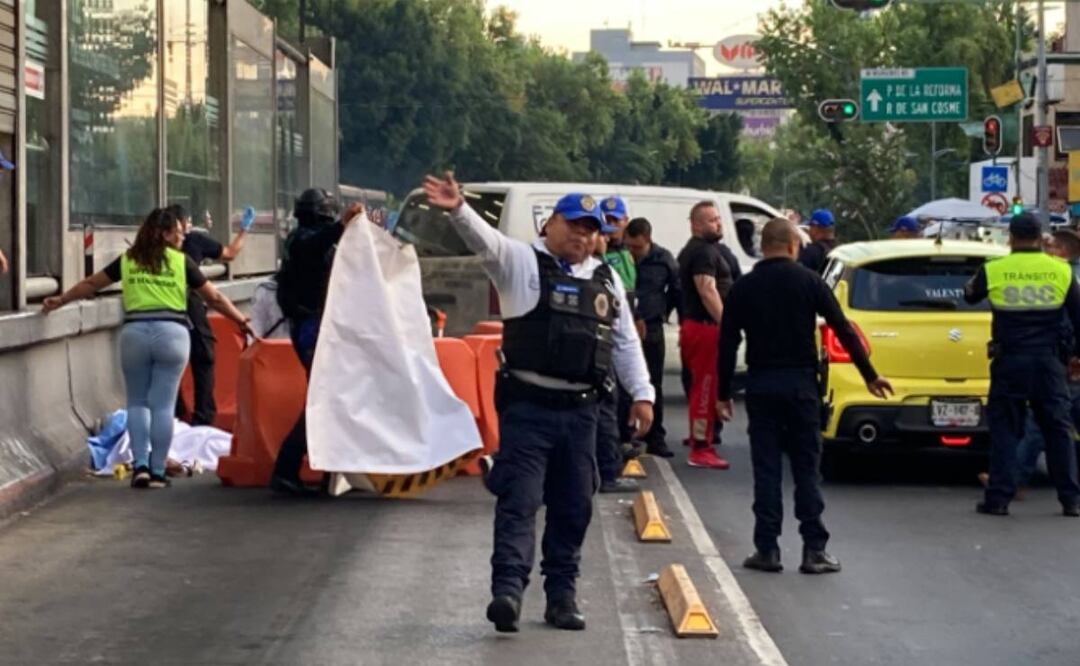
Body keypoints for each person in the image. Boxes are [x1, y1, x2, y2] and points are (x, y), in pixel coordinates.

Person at [422, 173, 654, 634]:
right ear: (550, 224)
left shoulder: (606, 279)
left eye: (590, 229)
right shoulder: (520, 263)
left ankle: (561, 597)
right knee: (520, 501)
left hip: (582, 414)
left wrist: (643, 394)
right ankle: (507, 591)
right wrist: (457, 210)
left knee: (573, 508)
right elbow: (485, 242)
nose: (581, 235)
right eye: (573, 225)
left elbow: (625, 343)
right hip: (529, 410)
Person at [717, 218, 893, 574]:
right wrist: (870, 376)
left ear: (763, 247)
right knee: (806, 468)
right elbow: (842, 329)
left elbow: (728, 342)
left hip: (762, 384)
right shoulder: (810, 281)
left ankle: (767, 549)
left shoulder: (744, 287)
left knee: (766, 470)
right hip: (801, 386)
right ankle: (814, 549)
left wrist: (722, 393)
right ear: (793, 246)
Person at [42, 208, 252, 489]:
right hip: (173, 334)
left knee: (137, 402)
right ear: (165, 234)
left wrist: (61, 299)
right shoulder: (181, 262)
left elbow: (92, 283)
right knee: (163, 406)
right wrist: (240, 320)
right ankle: (157, 470)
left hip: (135, 334)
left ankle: (139, 466)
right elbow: (213, 297)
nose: (181, 236)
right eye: (177, 231)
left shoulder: (130, 259)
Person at [964, 213, 1080, 517]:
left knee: (1005, 429)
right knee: (1058, 429)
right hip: (1048, 362)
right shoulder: (1061, 270)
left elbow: (970, 295)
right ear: (1040, 237)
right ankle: (1071, 500)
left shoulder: (994, 269)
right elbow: (1078, 316)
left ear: (1011, 238)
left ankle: (998, 499)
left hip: (1010, 361)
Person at [269, 188, 364, 496]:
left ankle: (332, 470)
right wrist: (341, 226)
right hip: (311, 326)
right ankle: (287, 466)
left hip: (318, 325)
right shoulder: (302, 240)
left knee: (331, 397)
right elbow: (314, 247)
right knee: (325, 398)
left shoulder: (315, 240)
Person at [169, 204, 252, 426]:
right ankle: (203, 416)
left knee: (168, 364)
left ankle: (173, 415)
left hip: (159, 310)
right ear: (183, 224)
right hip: (190, 306)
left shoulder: (148, 251)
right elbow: (230, 254)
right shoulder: (194, 242)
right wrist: (244, 230)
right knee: (203, 358)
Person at [677, 201, 734, 469]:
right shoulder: (702, 253)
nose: (718, 224)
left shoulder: (702, 250)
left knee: (704, 385)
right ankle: (701, 448)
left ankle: (700, 437)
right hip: (704, 327)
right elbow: (707, 290)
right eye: (711, 220)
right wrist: (726, 324)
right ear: (696, 224)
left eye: (718, 219)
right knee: (705, 387)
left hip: (698, 326)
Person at [594, 196, 640, 493]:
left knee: (613, 406)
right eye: (605, 223)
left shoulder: (624, 253)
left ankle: (609, 462)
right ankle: (607, 471)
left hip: (621, 334)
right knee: (605, 408)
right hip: (599, 345)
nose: (610, 230)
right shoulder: (594, 265)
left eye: (615, 221)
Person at [624, 217, 681, 458]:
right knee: (626, 384)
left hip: (652, 327)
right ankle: (626, 435)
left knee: (654, 383)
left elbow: (677, 290)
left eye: (637, 248)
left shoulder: (664, 259)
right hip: (625, 328)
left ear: (648, 239)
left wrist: (663, 312)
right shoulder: (622, 258)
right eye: (630, 246)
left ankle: (656, 436)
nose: (633, 252)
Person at [798, 208, 839, 274]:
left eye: (810, 227)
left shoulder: (810, 252)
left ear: (815, 228)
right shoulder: (839, 252)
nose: (809, 231)